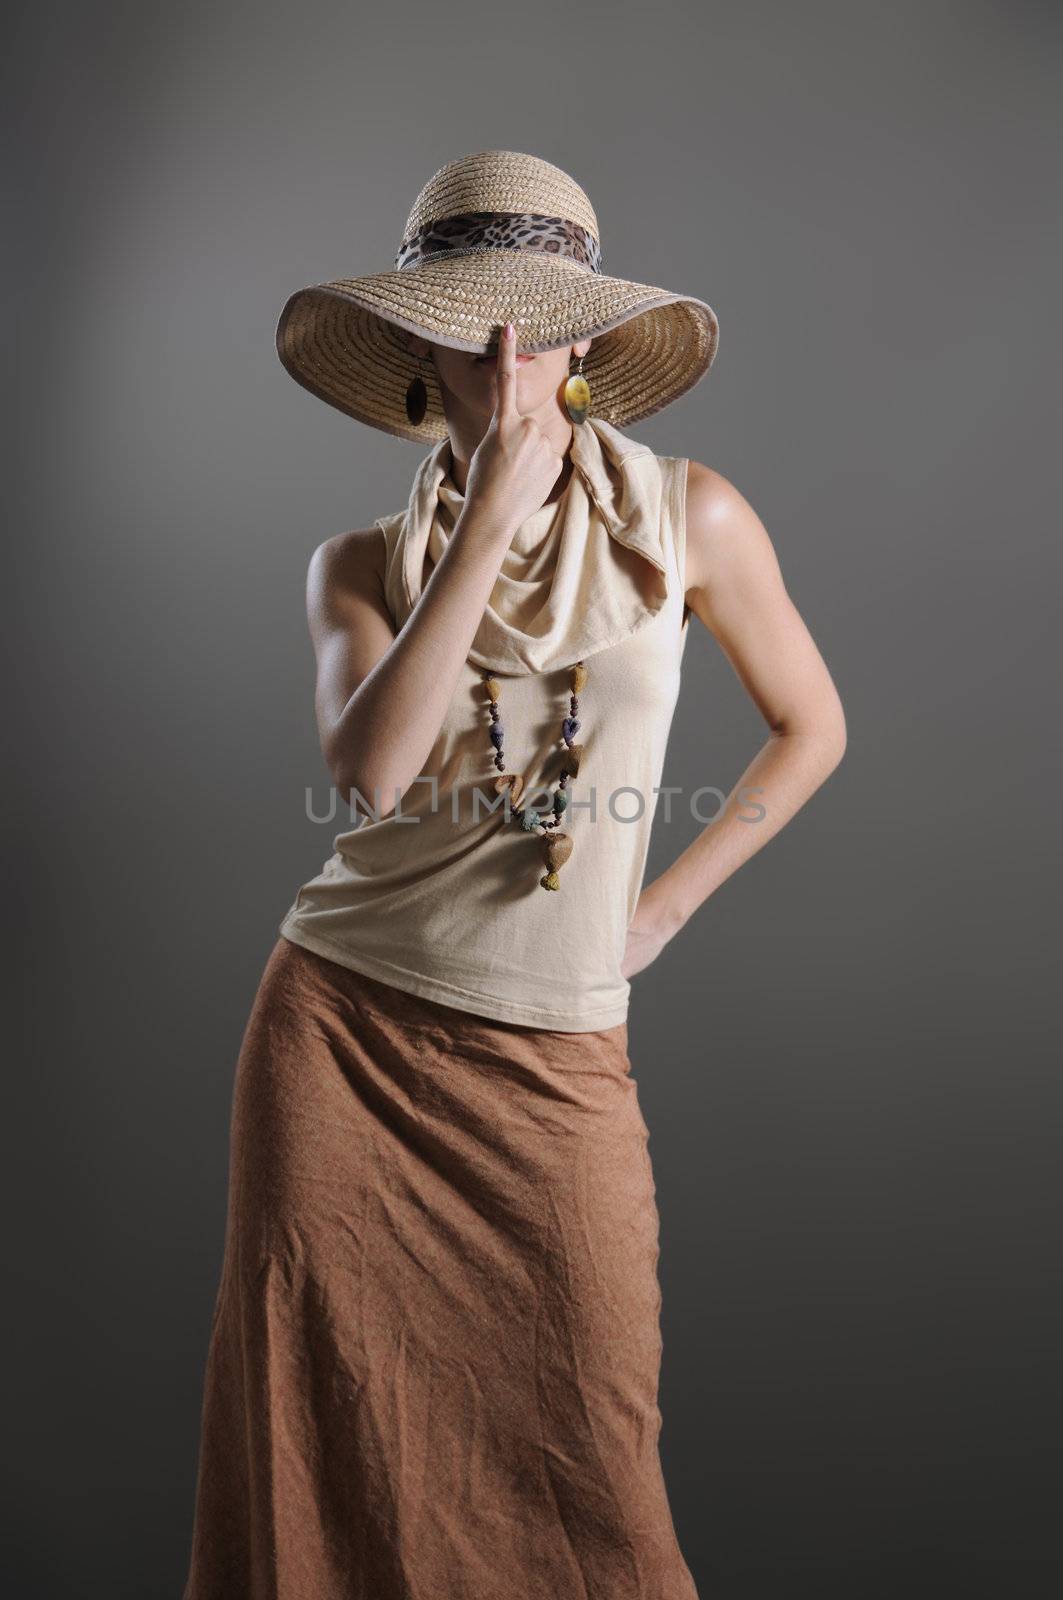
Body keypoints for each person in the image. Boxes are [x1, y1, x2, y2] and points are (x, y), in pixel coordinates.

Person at [181, 149, 846, 1600]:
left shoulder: (693, 518)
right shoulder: (355, 563)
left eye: (538, 324)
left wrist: (659, 911)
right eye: (469, 325)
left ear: (591, 345)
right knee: (322, 1450)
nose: (507, 360)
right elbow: (372, 774)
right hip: (343, 1042)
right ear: (419, 349)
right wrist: (483, 521)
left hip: (558, 1070)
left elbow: (816, 728)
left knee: (587, 1464)